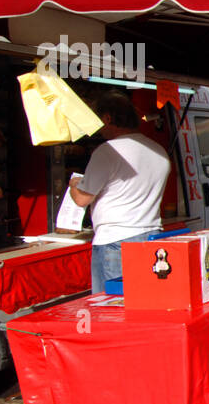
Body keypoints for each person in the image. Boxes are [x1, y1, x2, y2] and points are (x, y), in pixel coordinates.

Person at [69, 92, 172, 294]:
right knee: (143, 301)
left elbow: (82, 198)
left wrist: (74, 184)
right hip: (152, 237)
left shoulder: (108, 151)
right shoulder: (158, 150)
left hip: (115, 242)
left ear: (107, 118)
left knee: (110, 307)